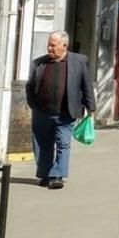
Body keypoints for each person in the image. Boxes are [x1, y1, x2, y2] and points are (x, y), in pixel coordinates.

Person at [25, 31, 96, 189]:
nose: (49, 48)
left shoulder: (78, 61)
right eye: (49, 45)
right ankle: (45, 174)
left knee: (63, 144)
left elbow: (86, 86)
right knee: (42, 145)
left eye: (53, 45)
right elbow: (29, 87)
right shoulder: (39, 63)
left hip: (65, 113)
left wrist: (91, 107)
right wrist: (33, 105)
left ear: (64, 45)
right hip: (42, 112)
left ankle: (57, 176)